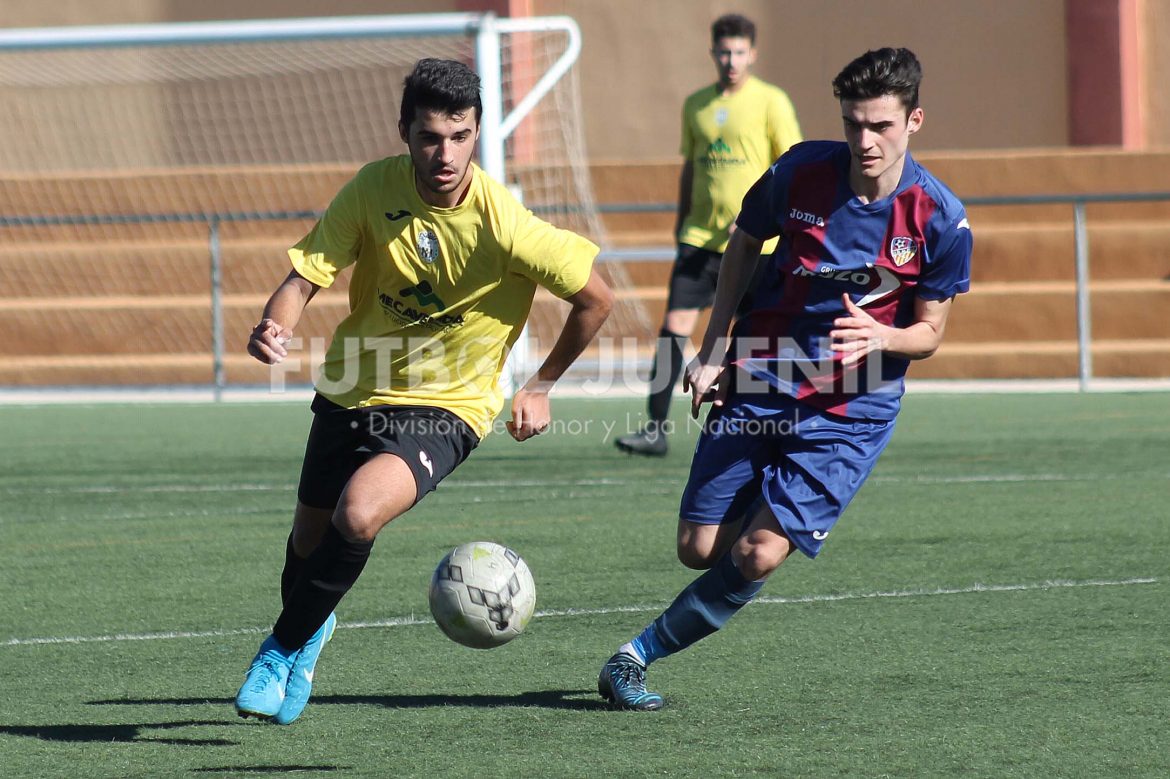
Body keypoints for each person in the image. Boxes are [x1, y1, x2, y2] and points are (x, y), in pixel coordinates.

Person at [234, 58, 613, 724]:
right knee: (306, 542)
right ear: (405, 131)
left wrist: (541, 384)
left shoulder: (504, 223)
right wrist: (275, 325)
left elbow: (595, 298)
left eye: (460, 136)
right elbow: (302, 280)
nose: (445, 153)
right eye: (431, 136)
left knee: (357, 514)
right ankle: (312, 625)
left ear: (477, 133)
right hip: (355, 383)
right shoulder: (372, 189)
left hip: (448, 404)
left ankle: (280, 647)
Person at [598, 47, 972, 710]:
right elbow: (744, 240)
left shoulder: (939, 218)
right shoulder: (800, 173)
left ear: (914, 121)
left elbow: (930, 333)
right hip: (763, 374)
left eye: (881, 126)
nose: (865, 140)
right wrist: (713, 348)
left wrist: (884, 336)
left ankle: (634, 656)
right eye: (854, 123)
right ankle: (761, 518)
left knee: (758, 553)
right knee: (698, 546)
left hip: (850, 412)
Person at [615, 12, 801, 457]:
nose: (731, 60)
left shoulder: (772, 101)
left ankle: (757, 426)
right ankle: (655, 428)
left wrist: (762, 214)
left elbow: (792, 164)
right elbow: (690, 167)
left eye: (739, 52)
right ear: (713, 52)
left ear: (752, 54)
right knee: (673, 330)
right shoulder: (695, 104)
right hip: (699, 241)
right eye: (724, 51)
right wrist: (682, 223)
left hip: (759, 243)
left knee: (755, 336)